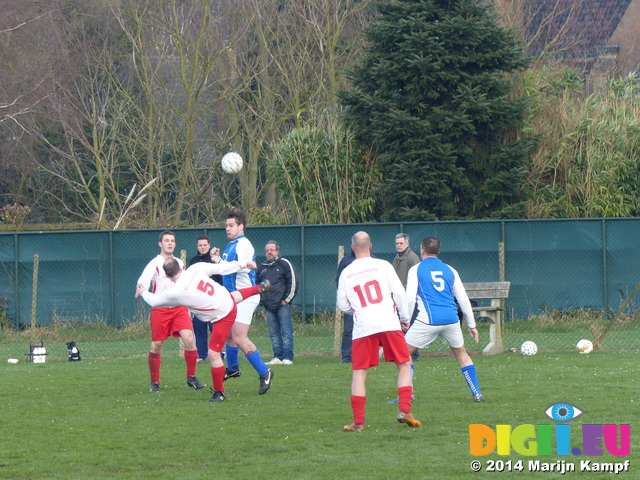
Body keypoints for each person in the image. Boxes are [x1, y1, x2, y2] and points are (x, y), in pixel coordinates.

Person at [136, 257, 271, 402]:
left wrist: (143, 291)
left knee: (213, 354)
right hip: (226, 299)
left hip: (223, 315)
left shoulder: (177, 293)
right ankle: (258, 288)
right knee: (233, 300)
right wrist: (243, 264)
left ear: (167, 276)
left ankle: (220, 393)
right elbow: (222, 268)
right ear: (181, 268)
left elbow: (155, 301)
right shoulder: (196, 268)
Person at [337, 231, 422, 432]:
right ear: (371, 246)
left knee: (359, 373)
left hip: (363, 326)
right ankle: (405, 410)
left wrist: (358, 310)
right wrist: (404, 319)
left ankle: (358, 422)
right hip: (388, 322)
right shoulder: (384, 265)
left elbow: (342, 304)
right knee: (404, 364)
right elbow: (400, 294)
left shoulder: (347, 272)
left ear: (352, 248)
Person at [404, 236, 485, 402]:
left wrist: (405, 320)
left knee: (404, 353)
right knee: (461, 354)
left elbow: (410, 299)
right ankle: (477, 393)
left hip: (428, 320)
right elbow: (463, 299)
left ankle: (408, 396)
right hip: (451, 320)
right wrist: (471, 324)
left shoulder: (416, 269)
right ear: (438, 251)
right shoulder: (450, 270)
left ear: (422, 250)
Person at [212, 208, 274, 395]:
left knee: (239, 337)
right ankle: (233, 368)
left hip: (245, 296)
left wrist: (220, 263)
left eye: (231, 225)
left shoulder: (243, 244)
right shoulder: (232, 245)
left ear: (241, 226)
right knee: (229, 336)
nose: (227, 229)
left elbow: (245, 266)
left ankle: (265, 372)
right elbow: (227, 268)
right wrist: (217, 260)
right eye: (226, 226)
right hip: (234, 296)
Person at [136, 230, 205, 393]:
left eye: (172, 241)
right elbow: (144, 279)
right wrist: (141, 288)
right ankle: (155, 382)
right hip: (161, 309)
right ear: (160, 244)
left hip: (179, 308)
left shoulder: (179, 263)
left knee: (189, 339)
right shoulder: (154, 263)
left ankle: (191, 377)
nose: (170, 243)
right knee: (157, 345)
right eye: (166, 240)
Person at [256, 241, 298, 365]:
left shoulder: (285, 264)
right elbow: (258, 285)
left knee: (286, 331)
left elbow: (293, 282)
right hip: (268, 306)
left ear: (277, 251)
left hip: (282, 304)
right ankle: (277, 357)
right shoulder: (263, 267)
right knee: (274, 333)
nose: (269, 252)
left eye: (272, 249)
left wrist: (287, 299)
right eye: (267, 250)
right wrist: (261, 301)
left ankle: (288, 357)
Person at [189, 235, 223, 363]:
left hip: (213, 301)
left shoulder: (215, 260)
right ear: (197, 246)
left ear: (209, 245)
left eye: (205, 245)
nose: (202, 247)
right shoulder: (193, 261)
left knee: (215, 328)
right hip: (198, 301)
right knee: (199, 328)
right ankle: (202, 355)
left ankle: (218, 352)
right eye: (200, 245)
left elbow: (221, 277)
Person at [392, 233, 422, 363]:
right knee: (400, 326)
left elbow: (418, 278)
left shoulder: (412, 258)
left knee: (410, 326)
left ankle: (414, 355)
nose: (399, 246)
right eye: (397, 243)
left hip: (410, 299)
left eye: (401, 243)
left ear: (407, 244)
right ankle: (401, 352)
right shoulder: (396, 258)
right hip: (398, 298)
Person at [335, 248, 356, 363]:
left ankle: (367, 354)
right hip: (351, 302)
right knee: (349, 328)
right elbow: (339, 280)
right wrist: (344, 297)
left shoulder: (372, 260)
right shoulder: (346, 261)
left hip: (368, 304)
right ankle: (347, 356)